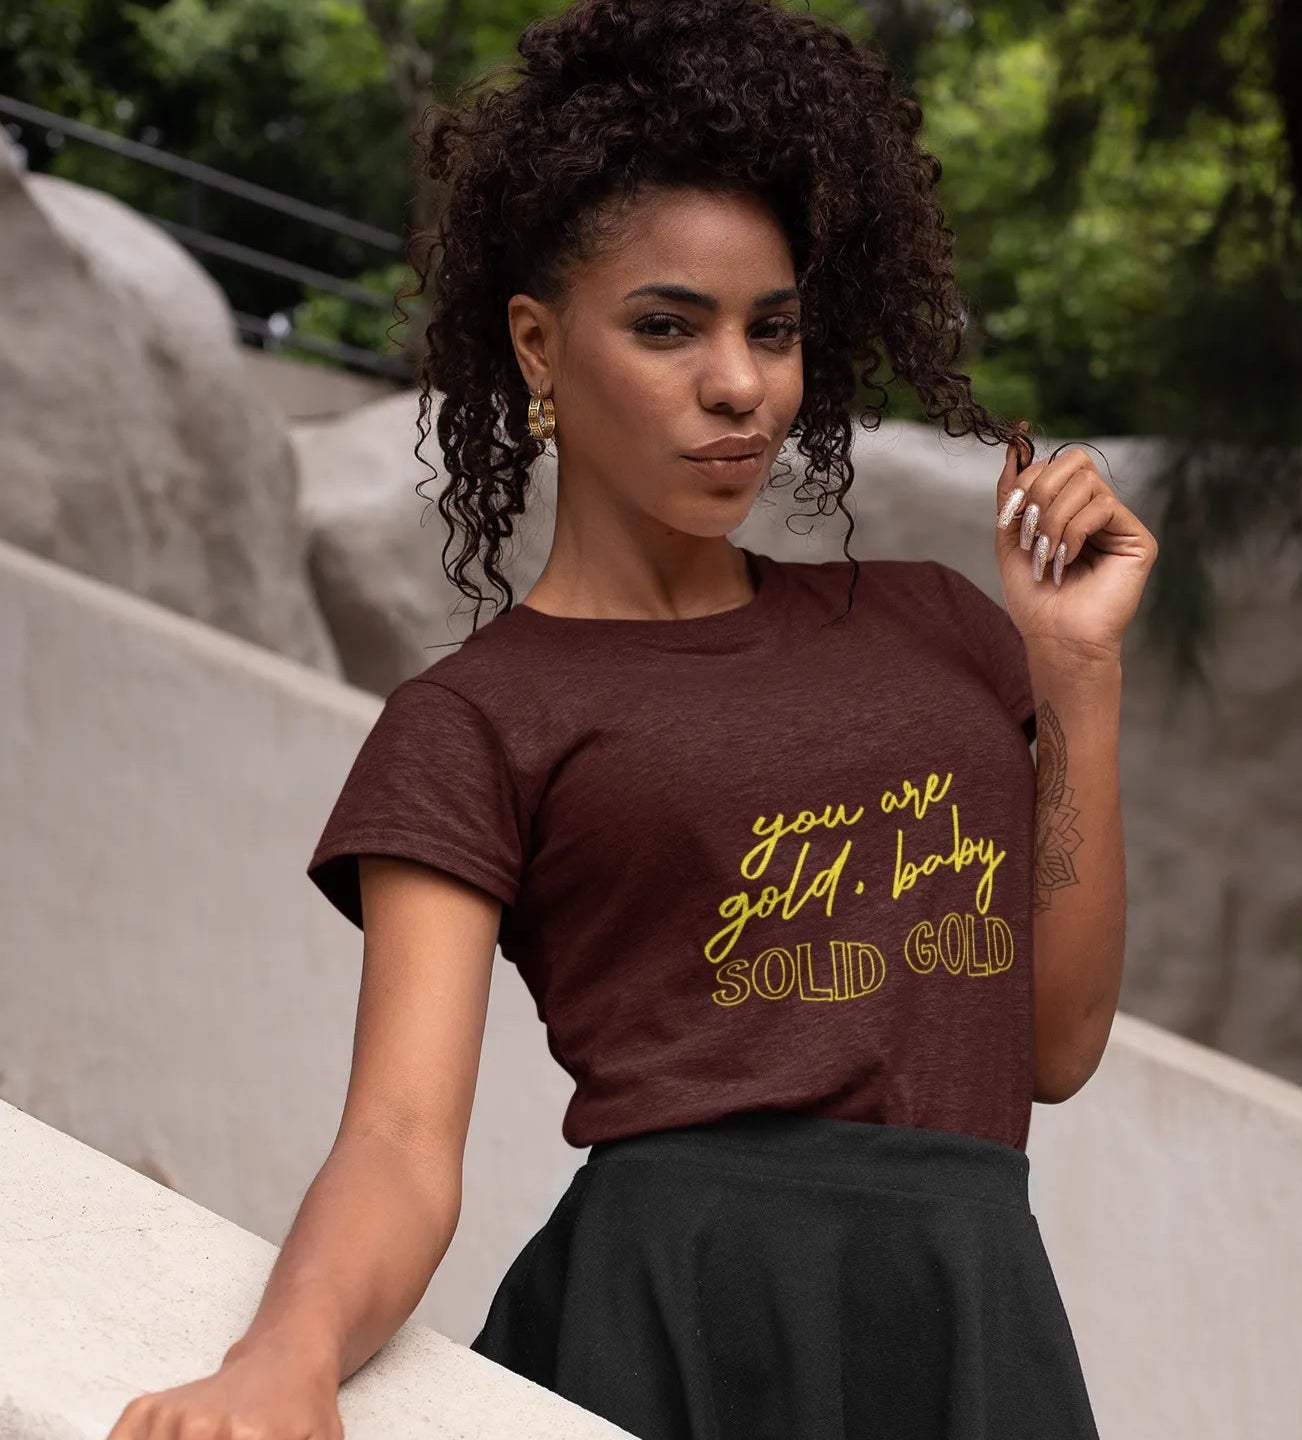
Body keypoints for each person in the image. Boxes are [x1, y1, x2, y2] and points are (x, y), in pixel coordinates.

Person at [107, 1, 1158, 1436]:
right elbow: (403, 1142)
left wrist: (1075, 675)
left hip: (964, 1307)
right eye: (669, 327)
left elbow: (1056, 1047)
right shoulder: (475, 719)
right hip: (666, 1323)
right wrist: (283, 1356)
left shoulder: (939, 626)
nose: (739, 384)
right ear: (539, 347)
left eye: (772, 330)